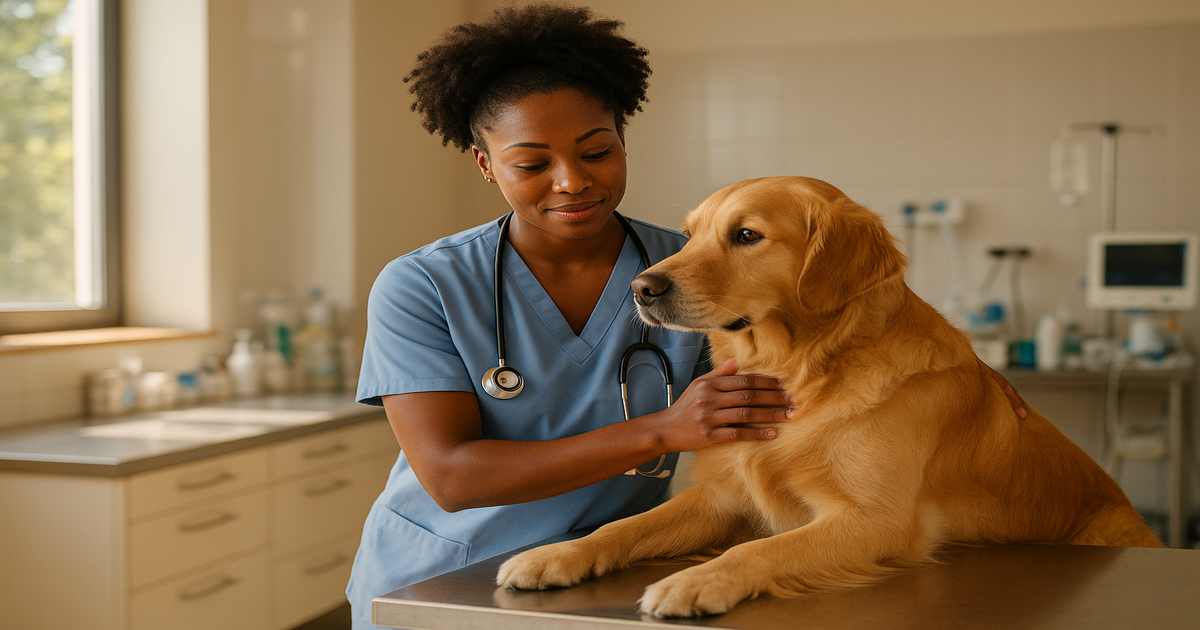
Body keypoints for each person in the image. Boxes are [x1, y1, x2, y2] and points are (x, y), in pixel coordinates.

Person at [345, 5, 793, 628]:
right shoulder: (424, 283)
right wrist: (662, 430)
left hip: (597, 572)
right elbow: (452, 476)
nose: (571, 182)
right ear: (485, 164)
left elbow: (780, 390)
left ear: (622, 141)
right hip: (437, 582)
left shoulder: (692, 264)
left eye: (597, 152)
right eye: (532, 165)